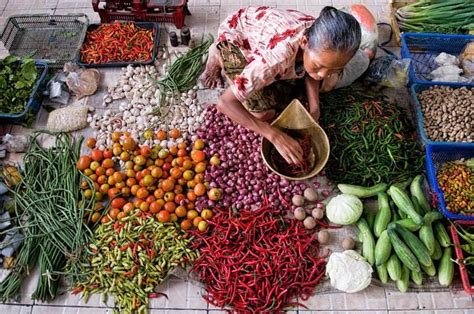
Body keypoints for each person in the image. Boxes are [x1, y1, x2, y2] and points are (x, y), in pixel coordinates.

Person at [201, 6, 375, 165]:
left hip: (270, 34)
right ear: (305, 43)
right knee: (262, 114)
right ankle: (216, 52)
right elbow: (224, 103)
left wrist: (315, 107)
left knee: (334, 78)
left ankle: (324, 66)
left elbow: (315, 72)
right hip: (237, 36)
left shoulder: (321, 36)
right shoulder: (274, 61)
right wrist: (273, 135)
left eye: (334, 67)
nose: (322, 74)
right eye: (319, 66)